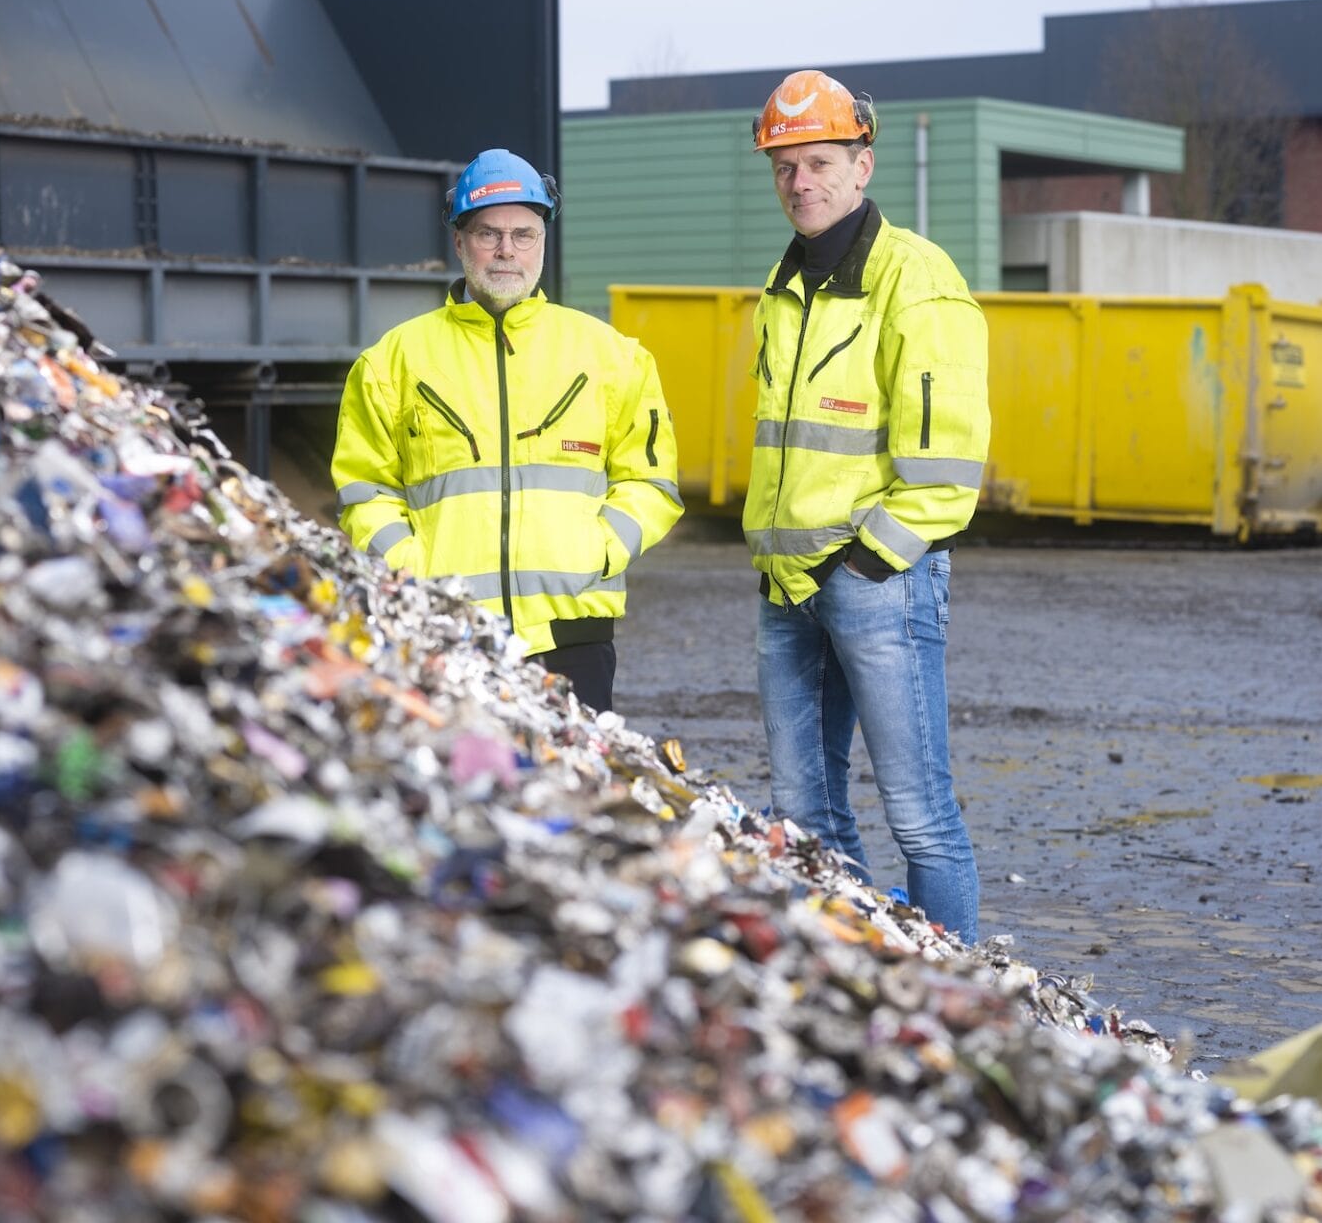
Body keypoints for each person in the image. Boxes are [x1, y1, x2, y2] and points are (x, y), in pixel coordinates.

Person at [745, 70, 989, 943]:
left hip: (873, 581)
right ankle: (858, 983)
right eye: (785, 168)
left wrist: (866, 562)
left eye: (818, 163)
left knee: (919, 814)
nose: (800, 182)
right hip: (787, 587)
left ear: (862, 165)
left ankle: (949, 997)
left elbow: (948, 464)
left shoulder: (915, 280)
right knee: (803, 819)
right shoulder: (787, 286)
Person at [331, 148, 682, 712]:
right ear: (459, 242)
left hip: (572, 634)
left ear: (543, 240)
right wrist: (414, 573)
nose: (506, 252)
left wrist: (597, 551)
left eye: (524, 234)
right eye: (488, 234)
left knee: (569, 794)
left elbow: (652, 482)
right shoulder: (391, 361)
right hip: (446, 631)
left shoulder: (612, 356)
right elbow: (363, 489)